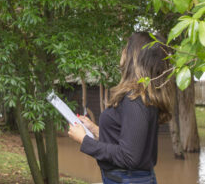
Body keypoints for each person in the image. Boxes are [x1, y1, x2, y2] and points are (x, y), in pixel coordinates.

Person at [68, 32, 175, 184]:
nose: (123, 51)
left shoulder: (136, 99)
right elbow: (129, 140)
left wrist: (85, 141)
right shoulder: (140, 97)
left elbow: (129, 157)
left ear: (135, 56)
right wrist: (95, 130)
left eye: (127, 47)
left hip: (129, 179)